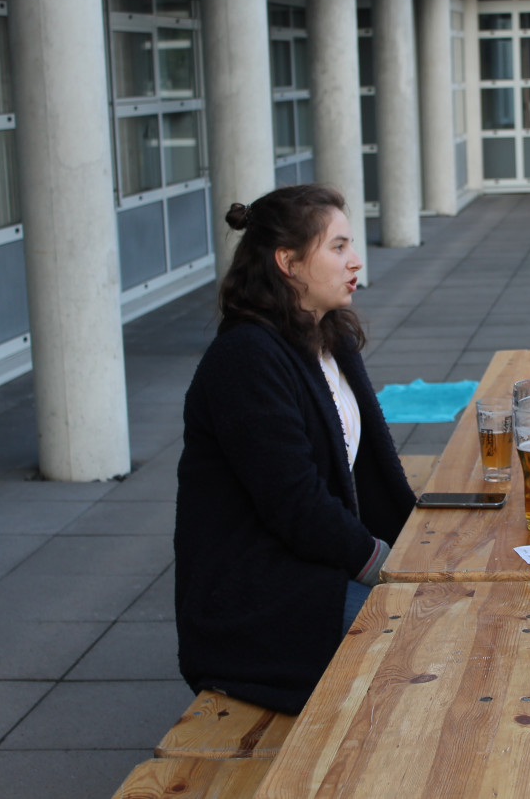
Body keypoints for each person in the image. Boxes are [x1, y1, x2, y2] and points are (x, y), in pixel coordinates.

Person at [174, 184, 416, 714]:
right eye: (337, 247)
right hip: (258, 603)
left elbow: (369, 471)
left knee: (451, 617)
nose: (355, 261)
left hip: (311, 572)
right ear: (288, 261)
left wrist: (421, 546)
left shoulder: (329, 337)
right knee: (421, 648)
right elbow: (296, 503)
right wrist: (388, 566)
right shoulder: (245, 359)